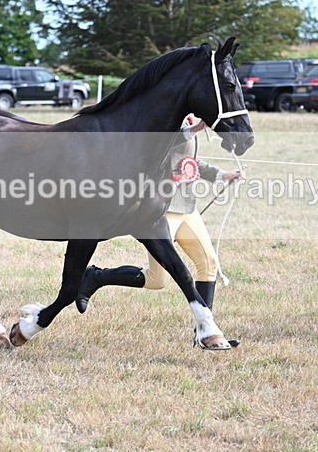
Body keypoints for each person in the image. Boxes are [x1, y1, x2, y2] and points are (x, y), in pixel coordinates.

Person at [76, 115, 245, 344]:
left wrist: (223, 175)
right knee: (158, 279)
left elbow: (190, 162)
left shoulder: (191, 119)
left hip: (186, 206)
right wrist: (194, 129)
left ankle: (205, 332)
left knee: (208, 263)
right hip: (161, 209)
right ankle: (96, 277)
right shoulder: (170, 117)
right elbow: (161, 142)